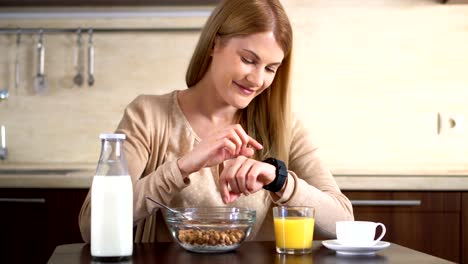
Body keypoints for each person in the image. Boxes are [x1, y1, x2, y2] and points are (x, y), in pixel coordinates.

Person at [79, 0, 353, 243]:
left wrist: (278, 179)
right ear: (213, 44)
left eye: (270, 68)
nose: (257, 80)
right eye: (248, 60)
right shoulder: (148, 115)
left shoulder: (284, 125)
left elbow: (344, 222)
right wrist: (183, 166)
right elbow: (92, 227)